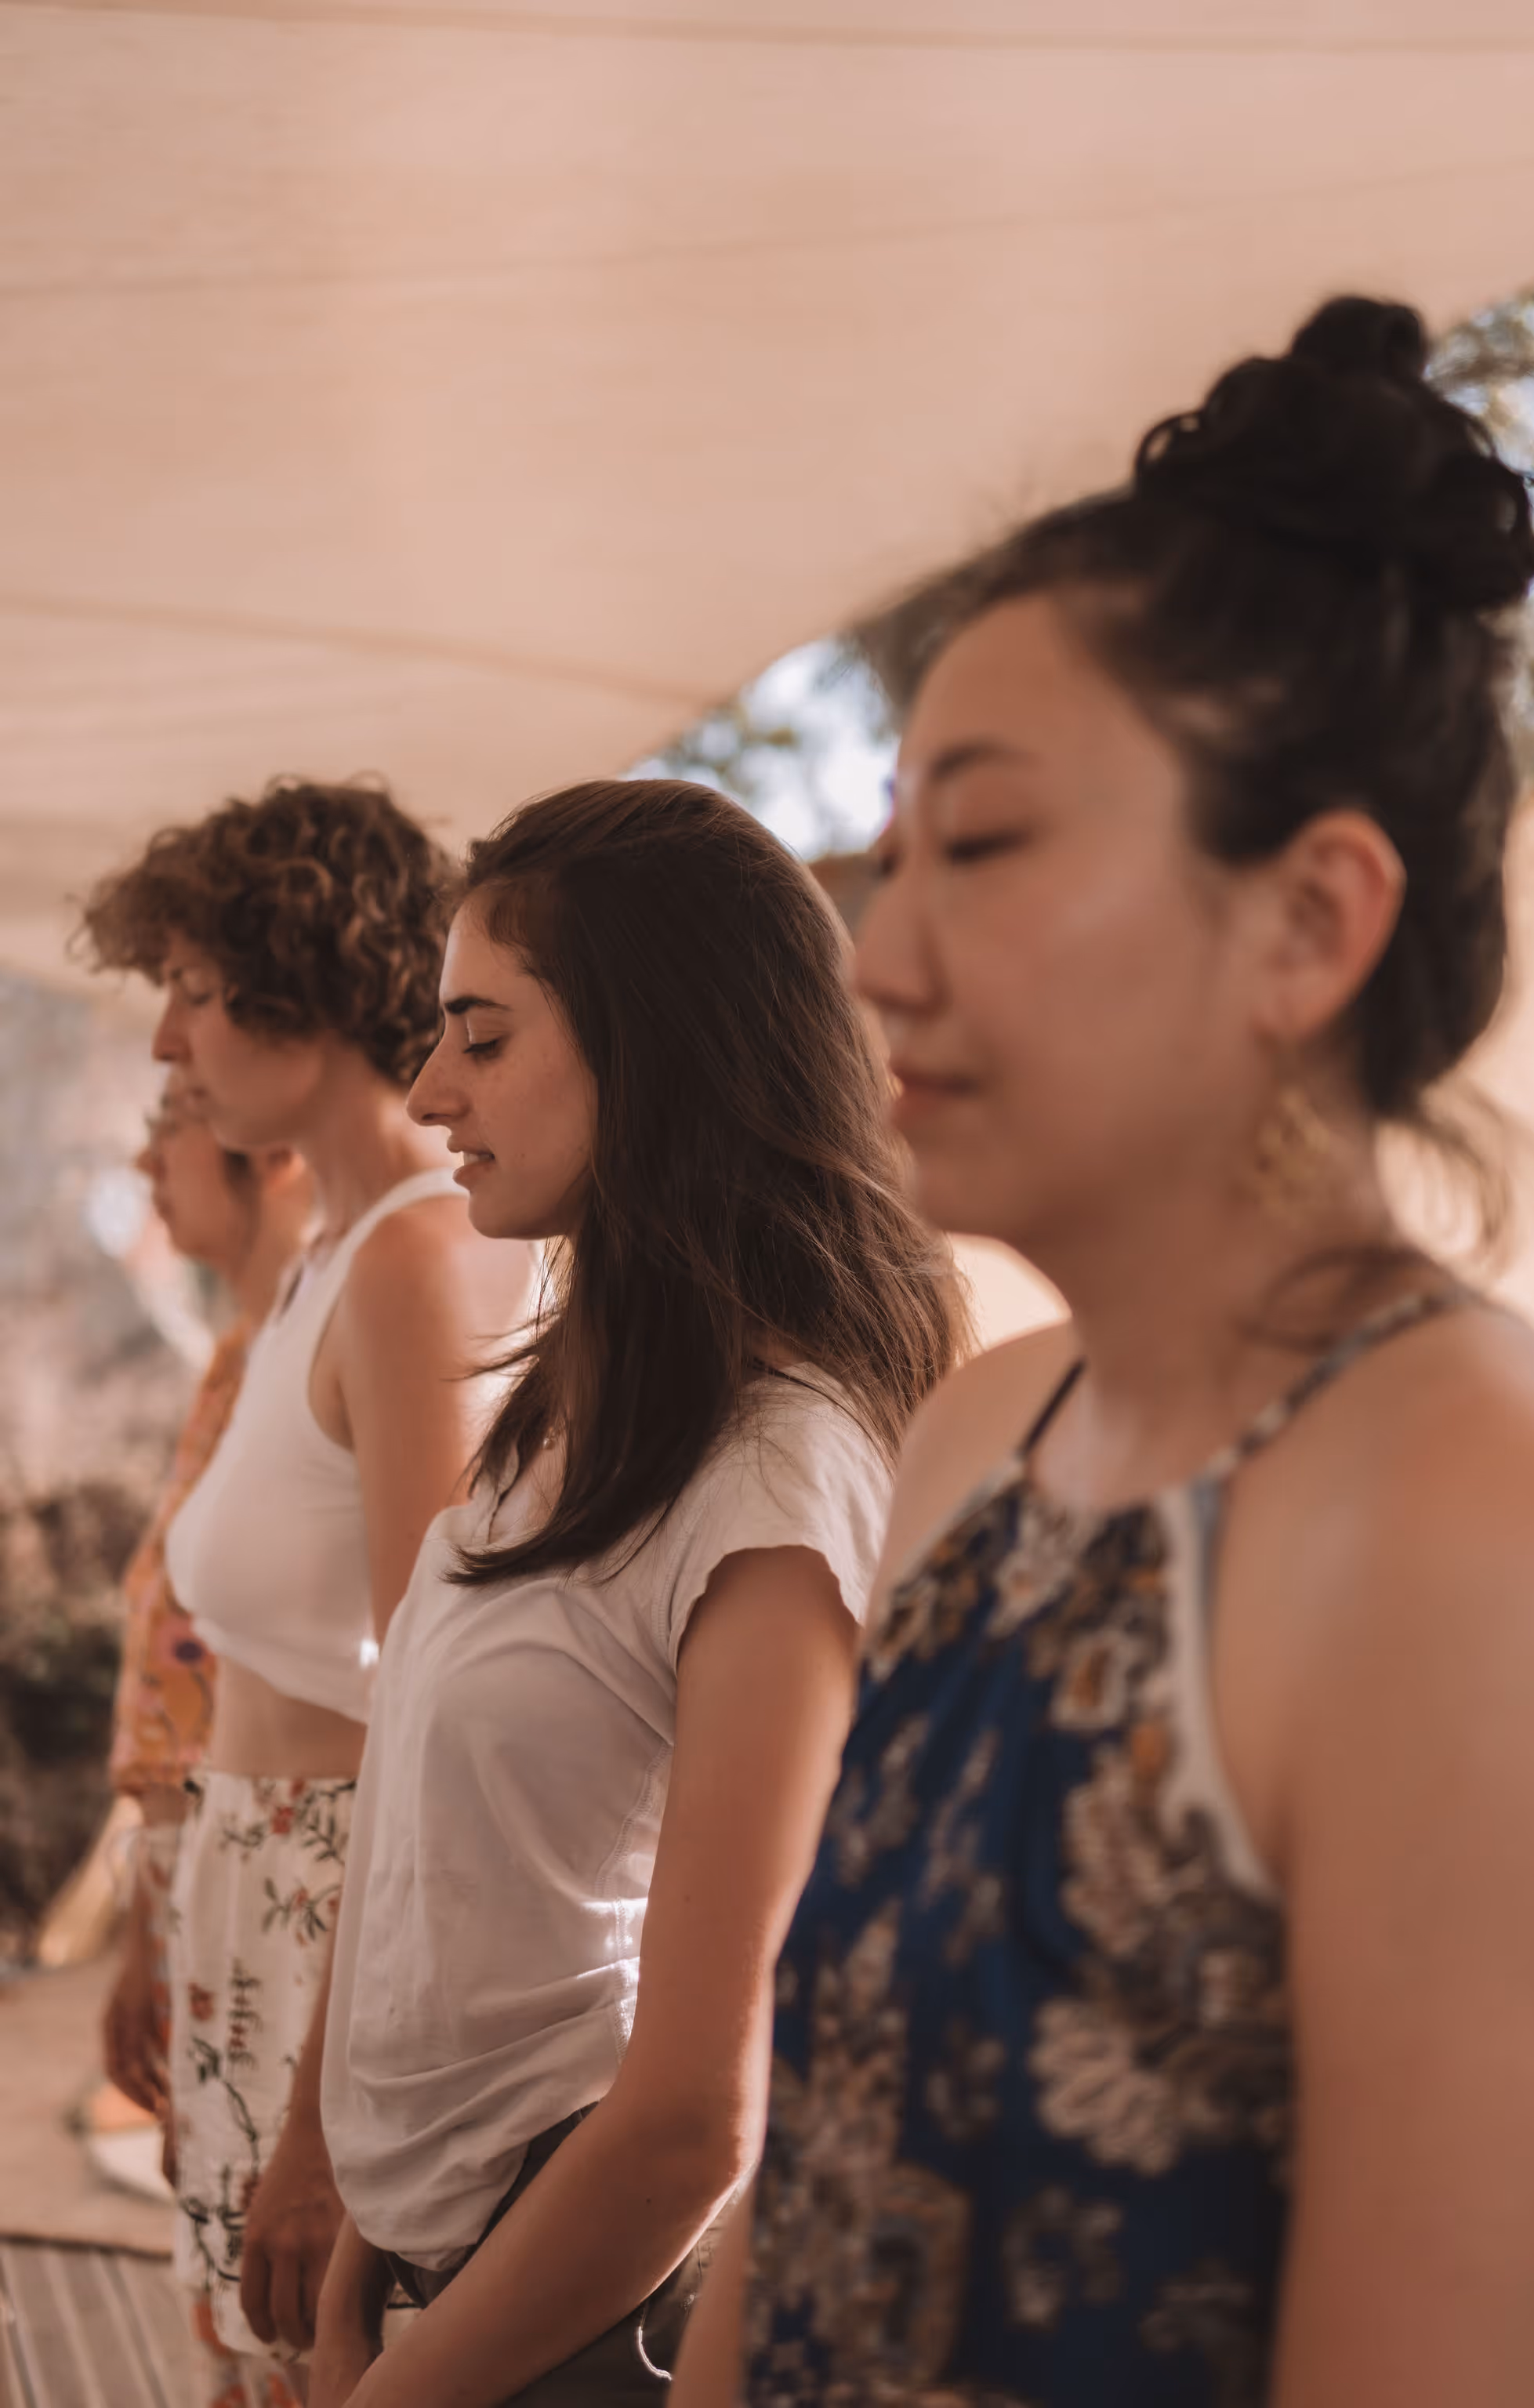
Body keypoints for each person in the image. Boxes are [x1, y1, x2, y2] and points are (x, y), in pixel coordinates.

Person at [675, 298, 1534, 2408]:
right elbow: (812, 2145)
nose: (880, 950)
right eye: (890, 848)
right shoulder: (985, 1437)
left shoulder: (1482, 1526)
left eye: (981, 846)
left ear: (1310, 920)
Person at [306, 778, 967, 2408]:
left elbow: (691, 2110)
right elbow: (439, 1852)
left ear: (656, 1044)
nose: (429, 1084)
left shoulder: (770, 1478)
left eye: (482, 1034)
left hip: (573, 2314)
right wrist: (361, 2231)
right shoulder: (567, 1403)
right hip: (438, 2268)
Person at [79, 778, 534, 2406]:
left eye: (194, 996)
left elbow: (431, 1688)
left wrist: (326, 2120)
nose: (165, 1048)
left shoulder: (415, 1258)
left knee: (308, 2371)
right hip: (249, 1886)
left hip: (329, 1910)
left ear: (306, 981)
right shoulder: (334, 1258)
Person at [101, 1075, 311, 2160]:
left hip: (269, 1868)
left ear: (268, 1149)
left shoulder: (314, 1360)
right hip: (201, 1867)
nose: (146, 1167)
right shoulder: (238, 1357)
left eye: (166, 1130)